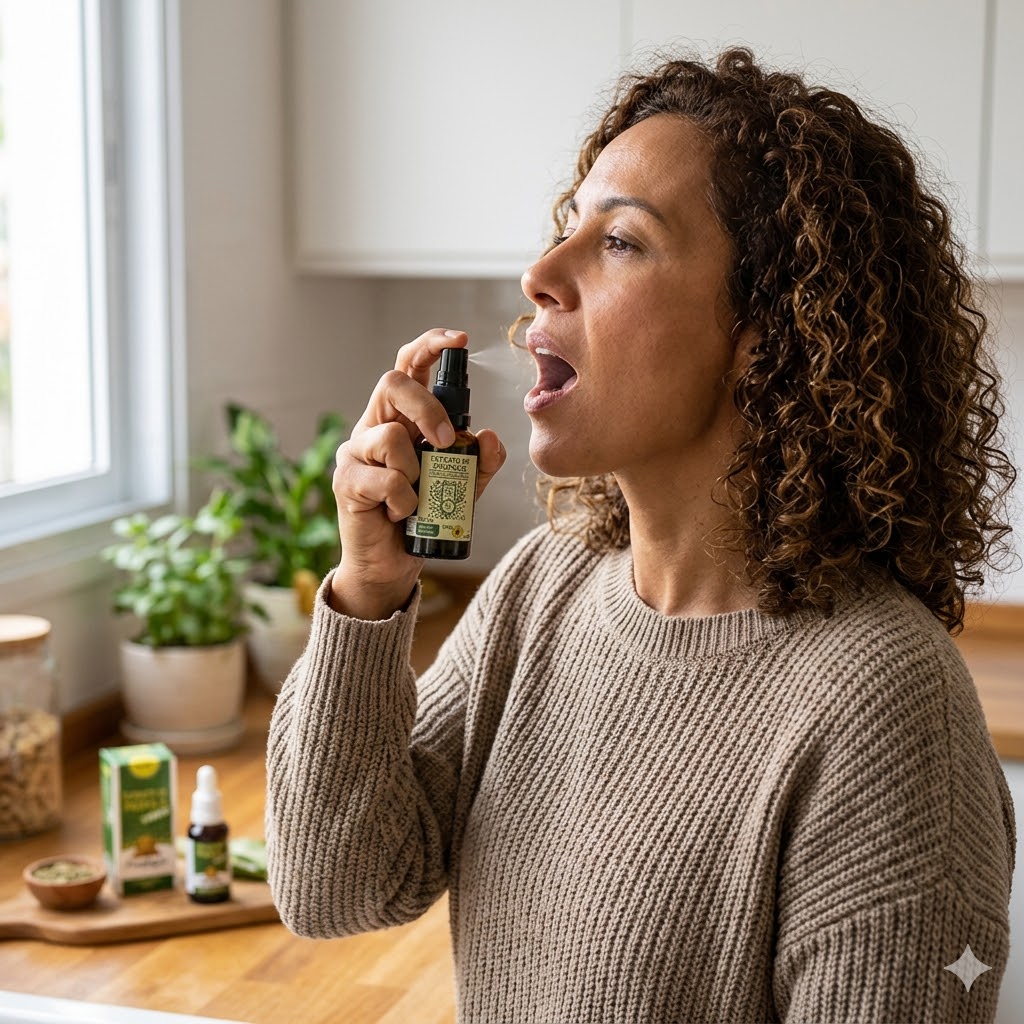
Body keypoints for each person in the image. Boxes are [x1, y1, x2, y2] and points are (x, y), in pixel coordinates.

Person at [265, 47, 1017, 1023]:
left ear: (766, 332)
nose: (539, 274)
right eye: (566, 228)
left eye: (619, 240)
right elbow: (337, 890)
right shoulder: (545, 584)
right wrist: (367, 593)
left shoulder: (885, 712)